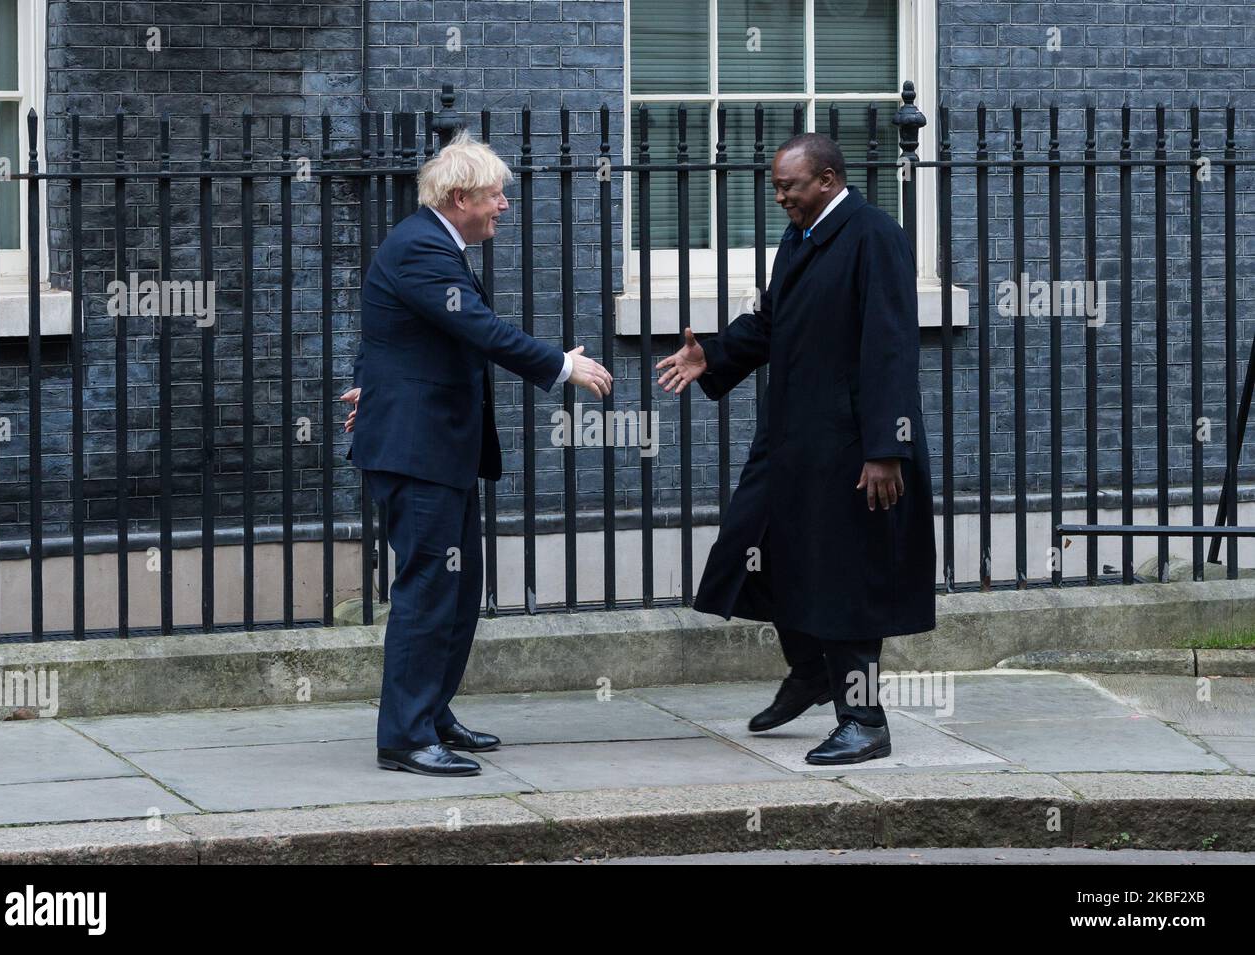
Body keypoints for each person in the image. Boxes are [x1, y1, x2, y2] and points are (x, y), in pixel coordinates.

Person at [656, 133, 935, 766]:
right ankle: (810, 670)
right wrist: (715, 354)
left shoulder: (874, 237)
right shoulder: (800, 238)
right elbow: (773, 321)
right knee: (761, 553)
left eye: (791, 186)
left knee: (846, 581)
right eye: (777, 186)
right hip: (791, 441)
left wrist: (885, 448)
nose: (780, 196)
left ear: (829, 180)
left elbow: (890, 345)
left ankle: (864, 720)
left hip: (851, 448)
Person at [343, 130, 612, 777]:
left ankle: (431, 712)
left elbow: (392, 334)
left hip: (437, 447)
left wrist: (372, 384)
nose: (504, 207)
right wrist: (560, 367)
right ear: (461, 196)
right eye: (496, 195)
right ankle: (405, 737)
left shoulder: (433, 245)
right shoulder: (423, 250)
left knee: (458, 592)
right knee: (428, 590)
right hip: (418, 452)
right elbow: (481, 332)